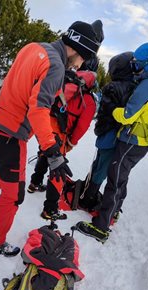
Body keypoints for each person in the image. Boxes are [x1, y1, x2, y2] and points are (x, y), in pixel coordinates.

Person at [0, 20, 103, 256]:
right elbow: (38, 109)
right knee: (15, 192)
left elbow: (15, 82)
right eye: (83, 59)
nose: (80, 65)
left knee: (10, 173)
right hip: (12, 133)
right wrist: (53, 152)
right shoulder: (56, 65)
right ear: (78, 50)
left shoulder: (34, 47)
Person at [75, 42, 148, 243]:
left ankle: (101, 226)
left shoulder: (147, 86)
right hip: (139, 139)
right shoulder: (145, 82)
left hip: (132, 139)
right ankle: (113, 211)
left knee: (114, 179)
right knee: (120, 176)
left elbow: (127, 115)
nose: (135, 68)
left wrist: (111, 111)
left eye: (138, 65)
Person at [27, 68, 97, 221]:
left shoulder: (64, 84)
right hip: (60, 133)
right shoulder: (89, 101)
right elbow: (82, 126)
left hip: (44, 125)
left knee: (45, 152)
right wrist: (72, 142)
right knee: (58, 167)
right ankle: (50, 209)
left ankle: (34, 183)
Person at [78, 51, 137, 212]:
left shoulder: (113, 86)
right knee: (102, 167)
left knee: (99, 163)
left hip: (105, 131)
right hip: (113, 133)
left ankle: (87, 191)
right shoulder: (131, 88)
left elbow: (106, 110)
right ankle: (88, 196)